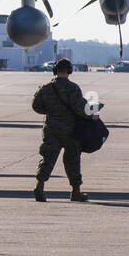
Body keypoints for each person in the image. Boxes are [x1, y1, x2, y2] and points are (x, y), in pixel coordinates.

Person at [32, 57, 99, 202]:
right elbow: (81, 108)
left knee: (48, 158)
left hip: (51, 128)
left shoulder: (46, 88)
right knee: (72, 160)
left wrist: (51, 112)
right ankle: (76, 191)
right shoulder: (73, 88)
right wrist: (92, 116)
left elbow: (36, 106)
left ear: (54, 70)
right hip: (71, 131)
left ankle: (40, 186)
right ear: (69, 71)